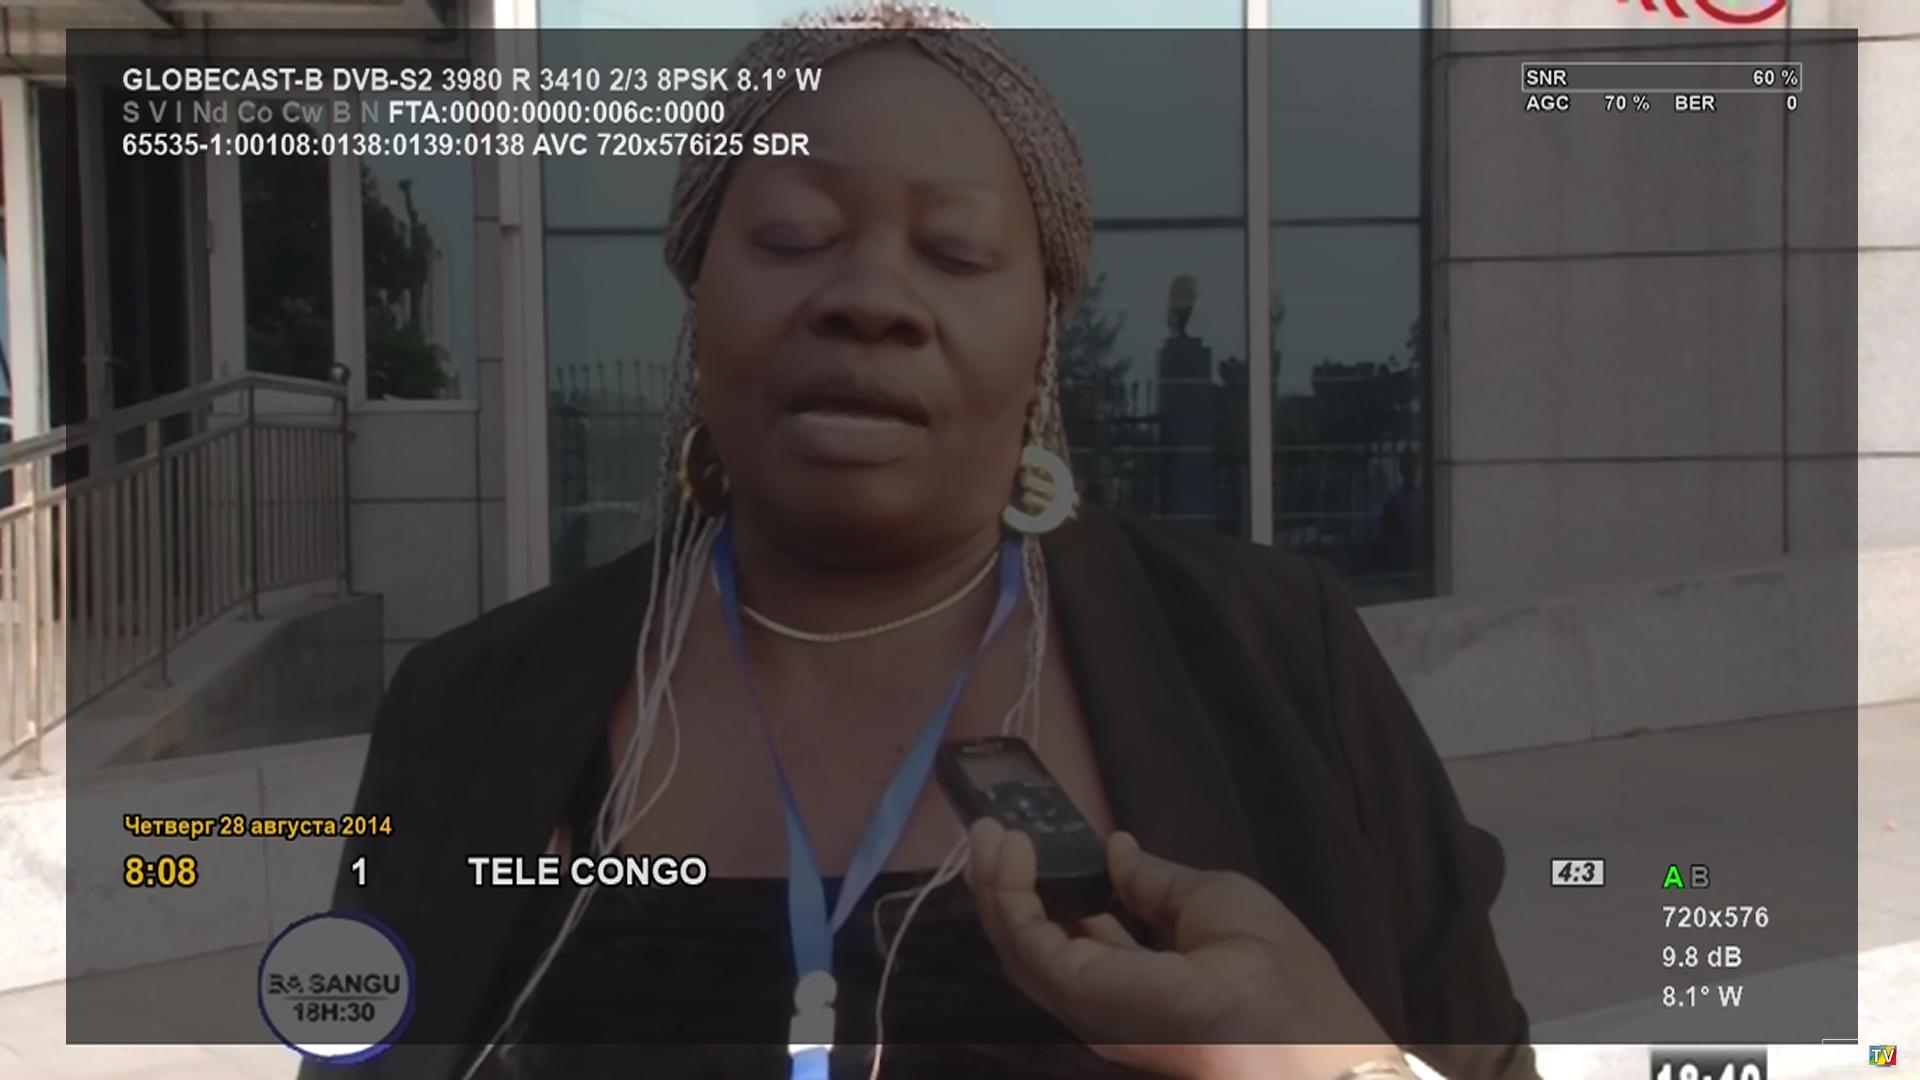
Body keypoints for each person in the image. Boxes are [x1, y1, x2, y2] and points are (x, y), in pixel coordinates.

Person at [307, 7, 1537, 1080]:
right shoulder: (466, 709)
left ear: (1043, 327)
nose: (871, 299)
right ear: (698, 292)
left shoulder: (1281, 658)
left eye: (955, 253)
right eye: (794, 235)